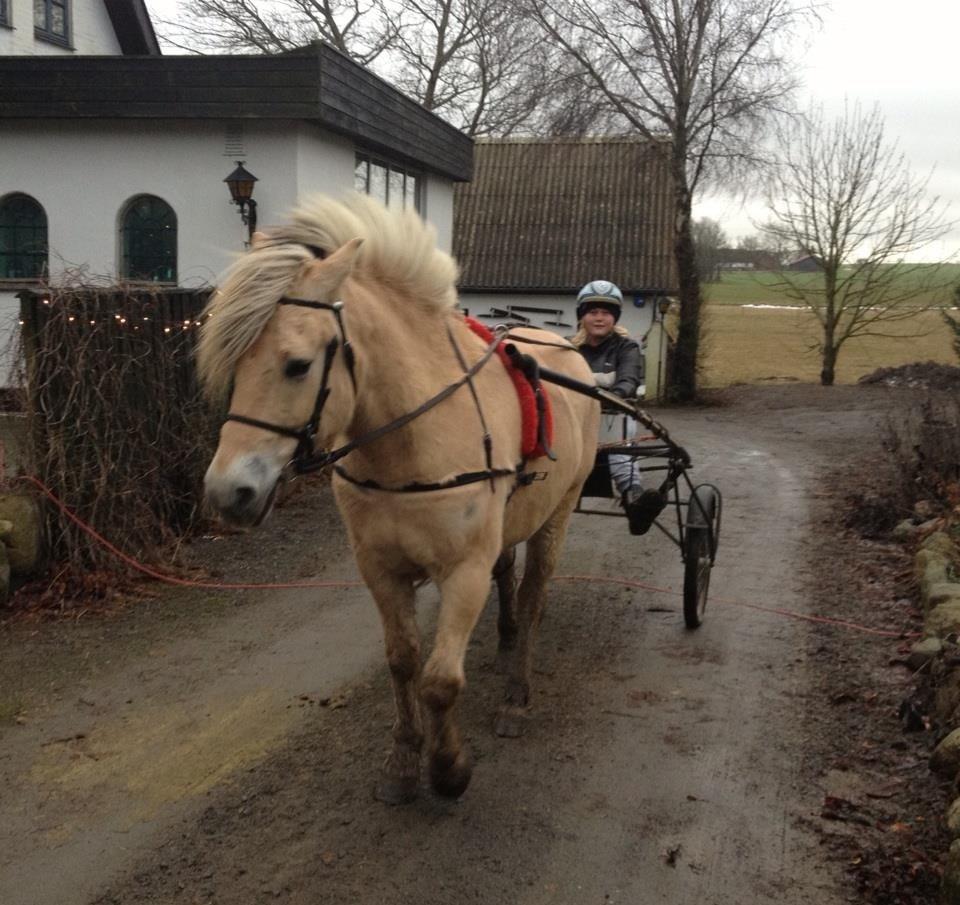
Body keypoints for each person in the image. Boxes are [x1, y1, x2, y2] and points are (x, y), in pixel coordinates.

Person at [571, 280, 667, 535]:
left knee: (620, 457)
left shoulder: (627, 347)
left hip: (612, 418)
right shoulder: (567, 348)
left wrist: (616, 395)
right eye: (593, 312)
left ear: (615, 318)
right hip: (572, 419)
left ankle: (635, 501)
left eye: (606, 313)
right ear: (582, 317)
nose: (599, 318)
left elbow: (628, 379)